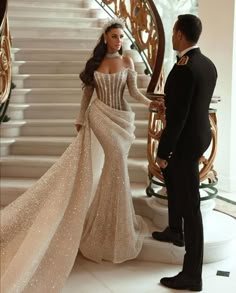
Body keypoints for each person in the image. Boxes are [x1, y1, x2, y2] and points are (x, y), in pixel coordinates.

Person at [0, 18, 158, 292]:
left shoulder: (128, 62)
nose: (119, 40)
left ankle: (113, 226)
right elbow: (87, 97)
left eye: (121, 36)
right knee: (115, 166)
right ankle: (108, 228)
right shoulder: (94, 63)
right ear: (105, 37)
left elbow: (133, 93)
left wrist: (152, 102)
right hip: (99, 117)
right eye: (115, 36)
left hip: (120, 119)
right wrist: (81, 120)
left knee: (115, 167)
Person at [152, 14, 217, 292]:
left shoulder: (183, 68)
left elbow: (178, 118)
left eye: (174, 31)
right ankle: (174, 231)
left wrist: (163, 150)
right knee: (174, 183)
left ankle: (192, 275)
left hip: (185, 143)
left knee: (191, 207)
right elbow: (190, 104)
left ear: (179, 34)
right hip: (200, 135)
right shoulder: (207, 64)